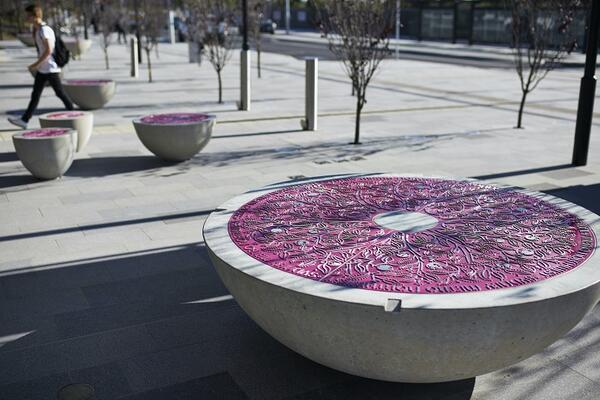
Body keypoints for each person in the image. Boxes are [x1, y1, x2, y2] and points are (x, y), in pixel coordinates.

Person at [8, 4, 74, 130]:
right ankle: (24, 120)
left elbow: (49, 50)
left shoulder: (44, 30)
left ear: (35, 16)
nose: (26, 18)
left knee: (59, 93)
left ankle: (74, 113)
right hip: (43, 69)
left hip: (50, 68)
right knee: (36, 95)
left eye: (28, 15)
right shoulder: (38, 29)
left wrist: (35, 65)